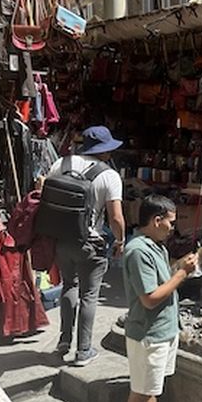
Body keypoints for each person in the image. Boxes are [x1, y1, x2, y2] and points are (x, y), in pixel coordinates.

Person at [122, 195, 198, 402]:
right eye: (170, 222)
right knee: (141, 391)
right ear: (157, 220)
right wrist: (182, 275)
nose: (172, 228)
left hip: (163, 329)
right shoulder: (137, 251)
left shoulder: (156, 247)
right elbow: (150, 298)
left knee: (152, 388)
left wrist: (179, 268)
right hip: (148, 333)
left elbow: (163, 281)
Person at [50, 125, 126, 366]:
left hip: (62, 240)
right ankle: (83, 351)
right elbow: (115, 217)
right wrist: (121, 240)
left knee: (68, 287)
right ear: (104, 151)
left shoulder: (59, 165)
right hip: (90, 244)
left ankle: (64, 341)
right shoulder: (109, 176)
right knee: (89, 295)